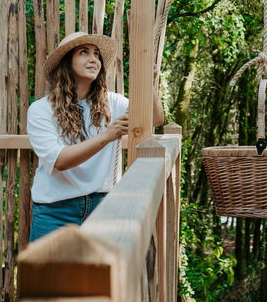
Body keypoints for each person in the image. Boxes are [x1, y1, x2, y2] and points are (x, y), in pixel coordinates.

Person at [27, 31, 164, 242]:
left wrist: (150, 83)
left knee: (97, 275)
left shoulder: (113, 103)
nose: (94, 59)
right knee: (49, 276)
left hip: (102, 207)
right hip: (55, 211)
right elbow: (60, 161)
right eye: (84, 52)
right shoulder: (41, 110)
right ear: (67, 62)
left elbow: (154, 119)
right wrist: (108, 135)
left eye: (96, 54)